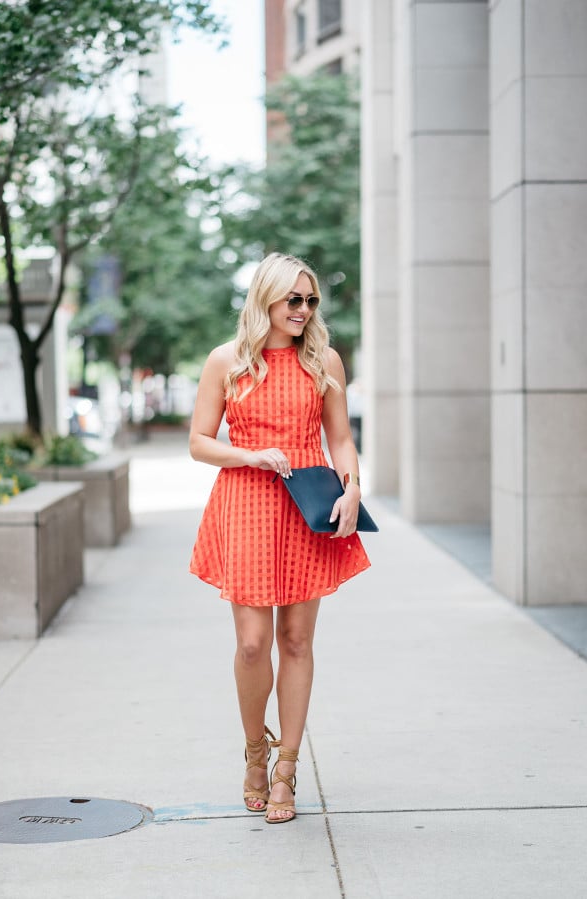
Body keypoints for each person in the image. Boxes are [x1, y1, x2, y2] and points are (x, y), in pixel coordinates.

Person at [189, 252, 371, 824]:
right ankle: (253, 753)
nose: (304, 310)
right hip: (245, 501)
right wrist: (248, 455)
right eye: (294, 299)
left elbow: (340, 439)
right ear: (266, 297)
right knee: (251, 643)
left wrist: (353, 487)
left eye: (311, 300)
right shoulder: (227, 361)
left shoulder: (323, 360)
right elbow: (199, 441)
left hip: (308, 505)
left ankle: (286, 769)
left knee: (295, 640)